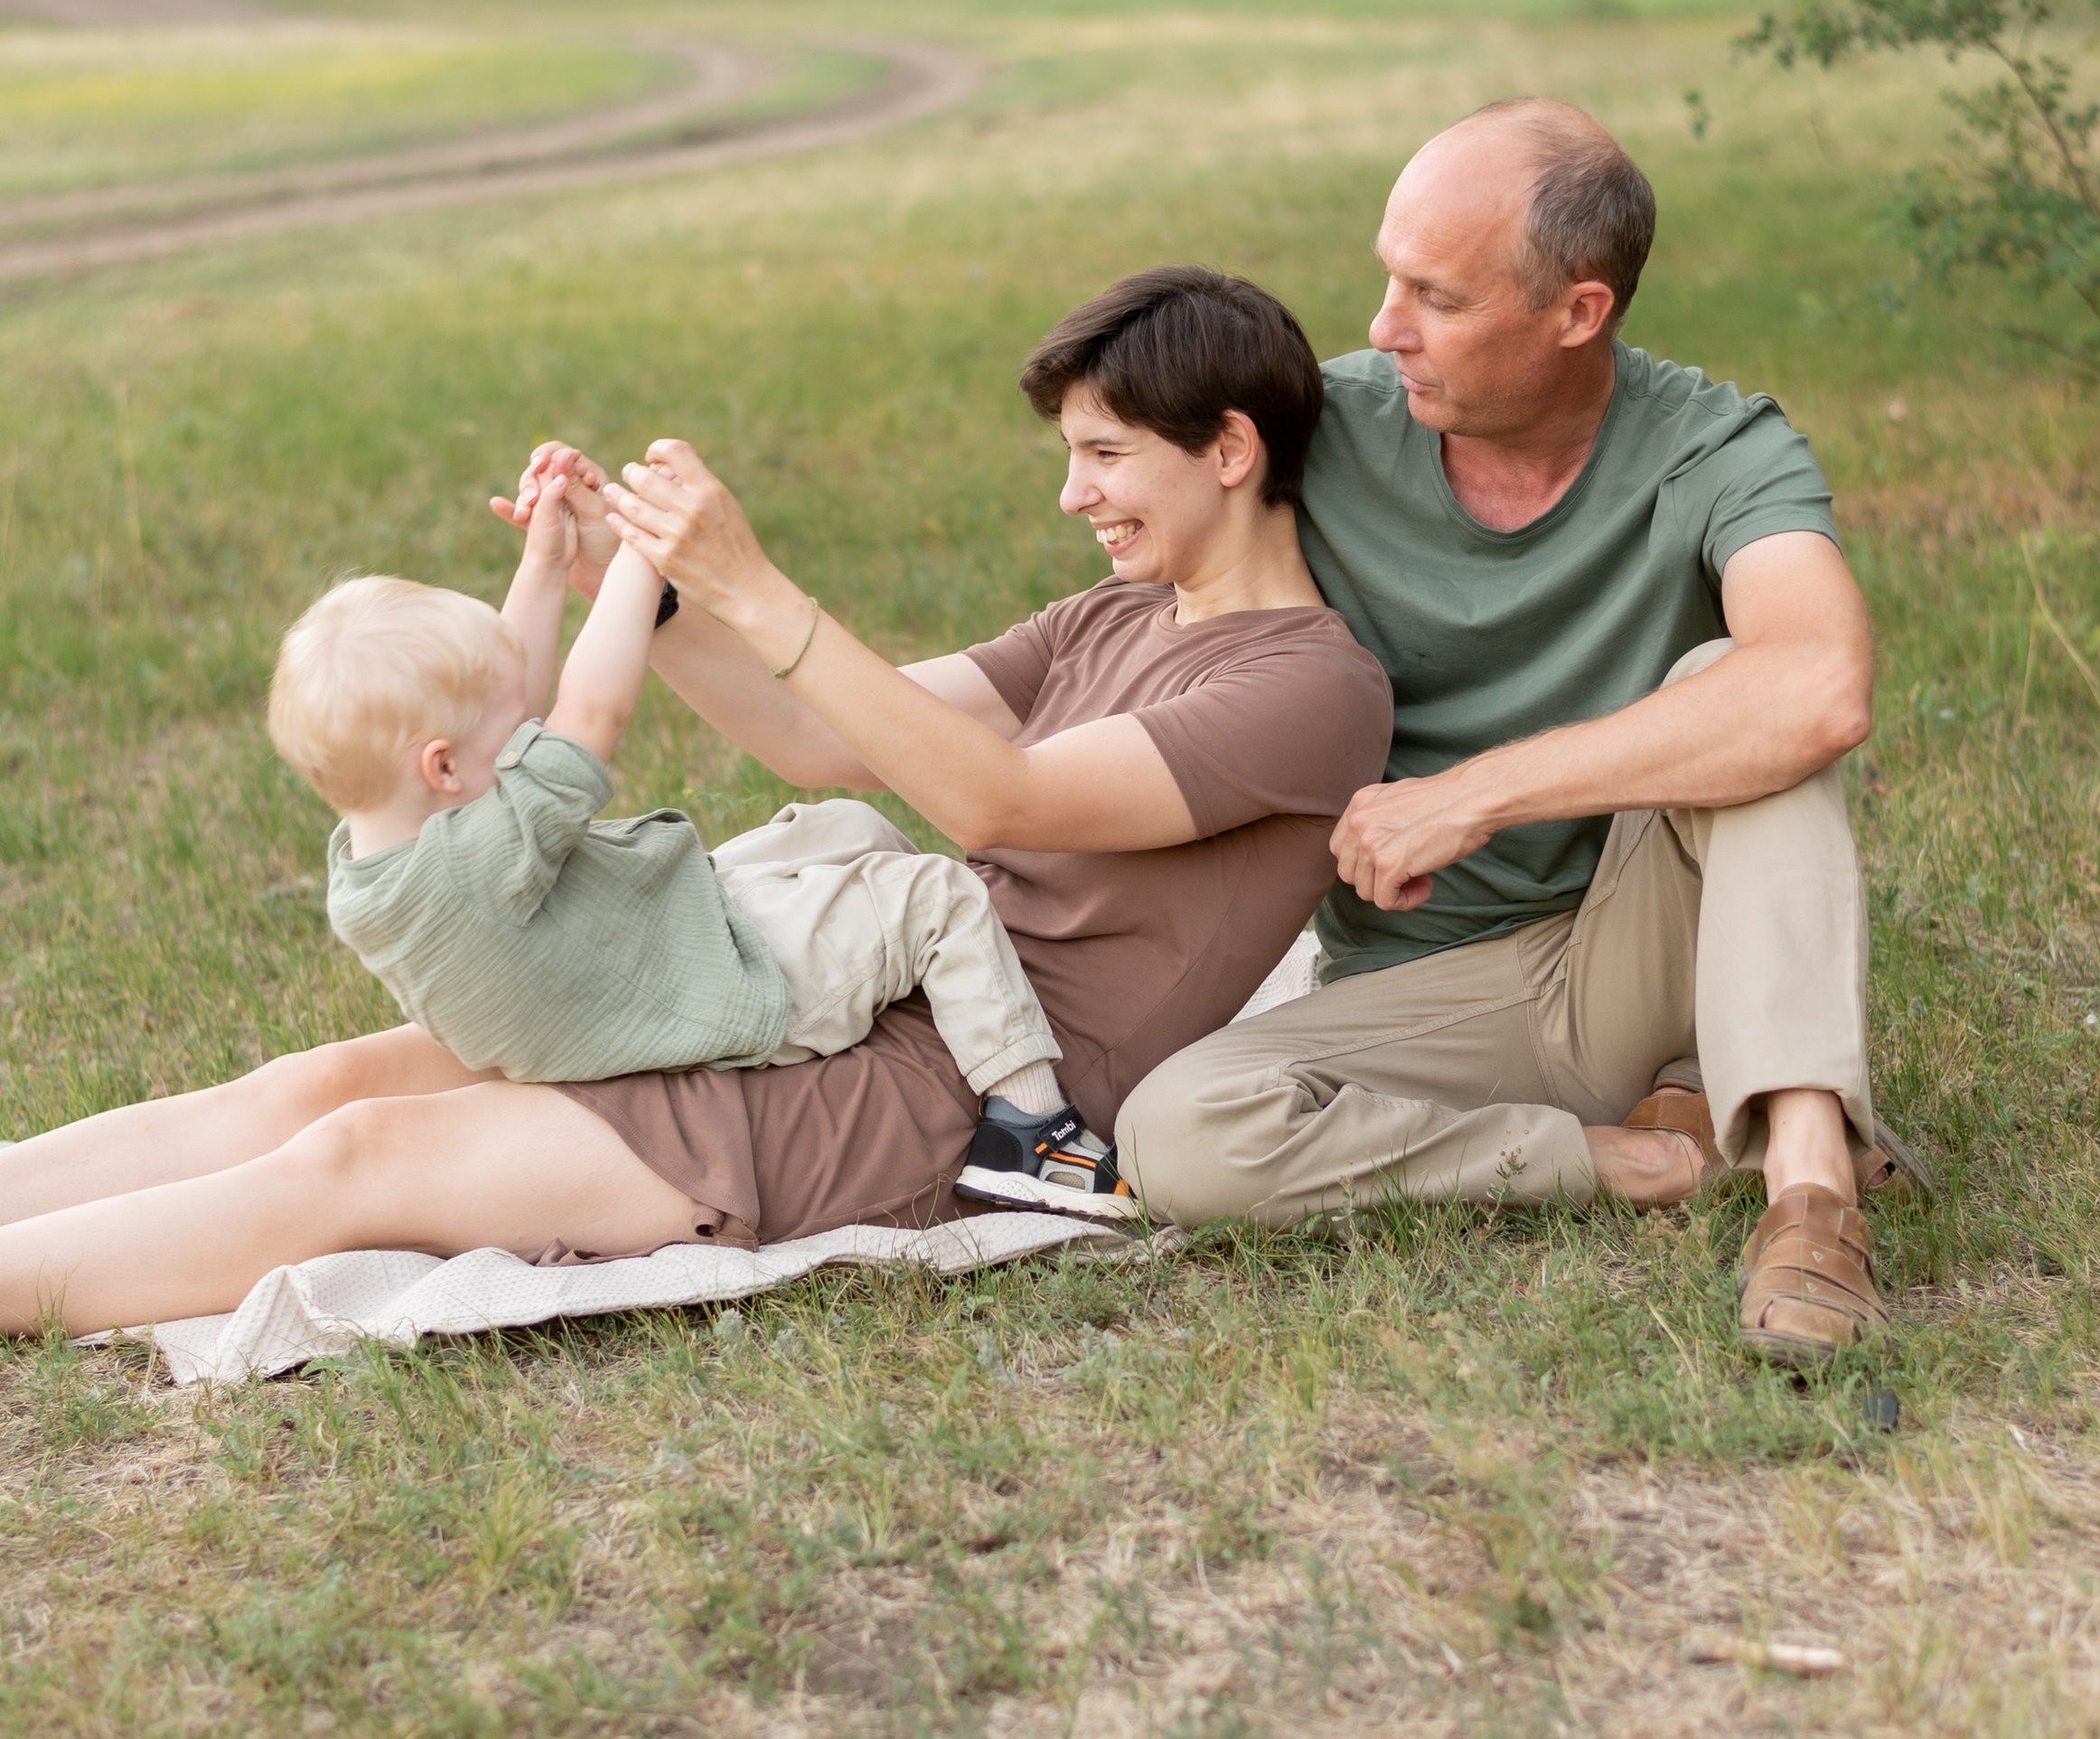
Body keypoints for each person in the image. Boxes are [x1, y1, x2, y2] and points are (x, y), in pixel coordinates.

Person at [0, 266, 1400, 1337]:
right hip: (805, 987)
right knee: (324, 1083)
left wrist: (762, 585)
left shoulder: (1309, 686)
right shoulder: (1111, 614)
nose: (1070, 494)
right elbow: (814, 734)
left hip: (948, 1089)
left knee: (366, 1155)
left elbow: (994, 798)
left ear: (1227, 448)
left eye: (1106, 456)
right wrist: (651, 580)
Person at [1117, 101, 1897, 1365]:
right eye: (1387, 276)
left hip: (1638, 941)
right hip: (1431, 992)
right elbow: (1117, 595)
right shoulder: (1329, 429)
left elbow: (1821, 684)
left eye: (1436, 295)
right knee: (1174, 1131)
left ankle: (1813, 1193)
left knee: (1746, 683)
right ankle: (1636, 1154)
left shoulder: (1716, 444)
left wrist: (1477, 791)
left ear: (1577, 310)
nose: (1382, 326)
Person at [267, 474, 1121, 1217]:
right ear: (444, 764)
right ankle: (1032, 1133)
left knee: (846, 830)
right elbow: (590, 710)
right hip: (715, 991)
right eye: (508, 727)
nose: (526, 725)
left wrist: (544, 560)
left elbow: (506, 687)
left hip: (657, 942)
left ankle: (911, 979)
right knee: (936, 895)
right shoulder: (478, 861)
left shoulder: (380, 850)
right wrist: (642, 554)